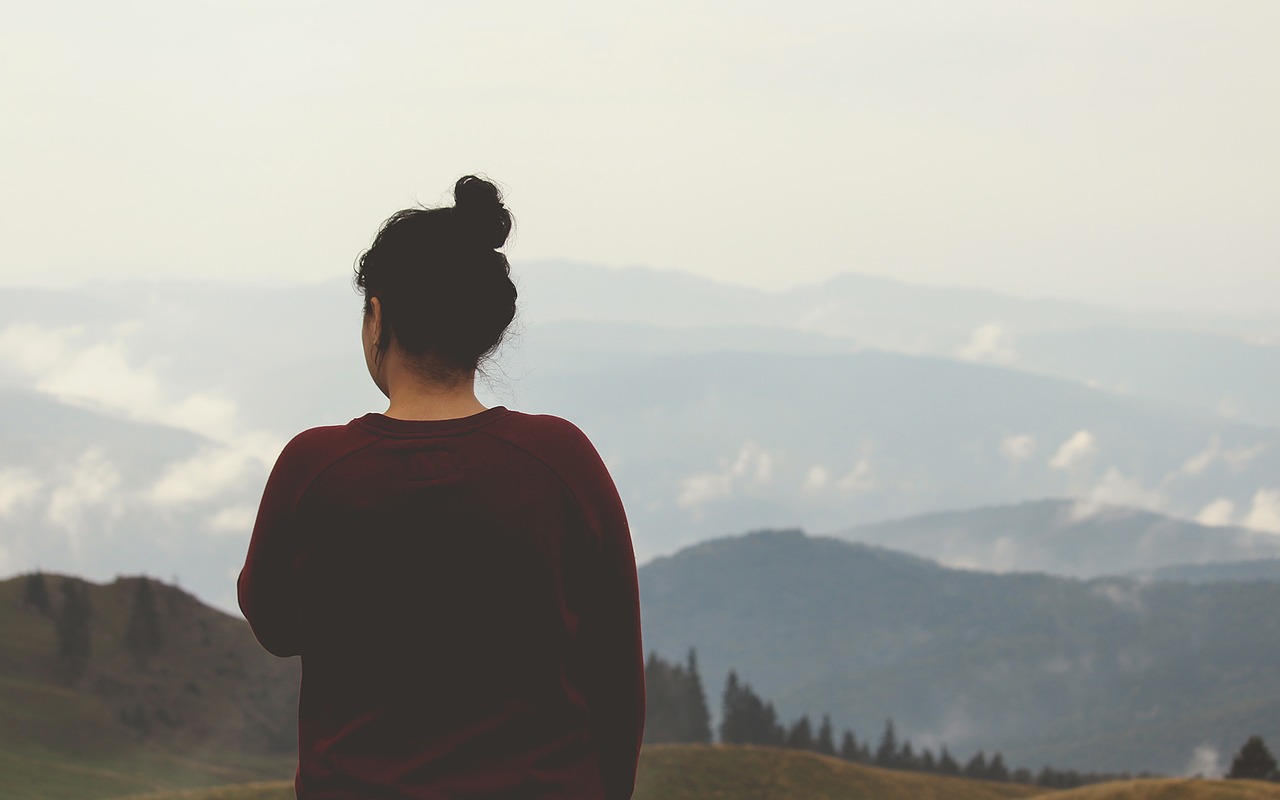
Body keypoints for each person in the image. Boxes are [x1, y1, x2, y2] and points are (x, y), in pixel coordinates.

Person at [238, 176, 645, 799]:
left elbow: (275, 625)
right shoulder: (562, 460)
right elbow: (614, 664)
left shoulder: (315, 467)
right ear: (486, 326)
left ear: (378, 316)